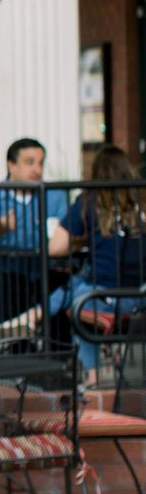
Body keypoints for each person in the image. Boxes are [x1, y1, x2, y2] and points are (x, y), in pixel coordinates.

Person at [49, 144, 146, 375]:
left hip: (105, 296)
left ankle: (93, 377)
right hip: (140, 294)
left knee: (75, 298)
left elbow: (55, 248)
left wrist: (85, 240)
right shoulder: (142, 197)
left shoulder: (89, 201)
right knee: (75, 287)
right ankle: (39, 313)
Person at [0, 137, 68, 325]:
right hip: (2, 271)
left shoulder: (54, 195)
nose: (37, 170)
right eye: (29, 163)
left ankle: (59, 351)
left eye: (41, 163)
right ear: (11, 165)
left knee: (64, 287)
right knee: (9, 289)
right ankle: (18, 348)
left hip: (43, 269)